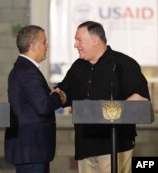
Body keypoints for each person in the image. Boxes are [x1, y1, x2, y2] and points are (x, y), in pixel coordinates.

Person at [56, 21, 150, 173]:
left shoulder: (123, 64)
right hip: (84, 146)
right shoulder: (78, 66)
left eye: (79, 40)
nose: (75, 45)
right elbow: (64, 93)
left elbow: (141, 99)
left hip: (114, 146)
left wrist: (114, 113)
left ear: (95, 40)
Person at [4, 25, 66, 173]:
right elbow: (43, 105)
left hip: (30, 149)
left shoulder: (22, 69)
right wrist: (59, 97)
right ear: (32, 46)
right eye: (44, 42)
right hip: (31, 149)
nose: (47, 46)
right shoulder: (28, 72)